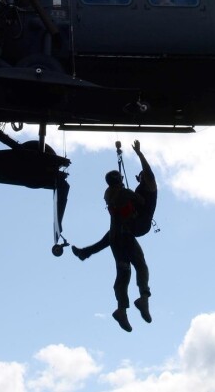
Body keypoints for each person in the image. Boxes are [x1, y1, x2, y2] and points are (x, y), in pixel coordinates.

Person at [72, 140, 157, 333]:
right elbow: (138, 199)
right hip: (124, 237)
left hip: (122, 235)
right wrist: (138, 155)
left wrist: (139, 156)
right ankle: (133, 303)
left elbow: (146, 176)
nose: (140, 177)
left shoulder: (111, 193)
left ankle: (86, 253)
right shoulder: (127, 193)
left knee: (127, 269)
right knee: (131, 270)